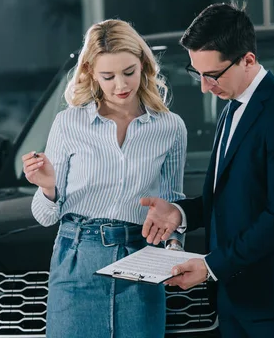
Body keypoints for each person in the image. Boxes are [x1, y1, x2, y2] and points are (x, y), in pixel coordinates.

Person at [139, 2, 274, 337]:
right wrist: (180, 213)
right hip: (234, 300)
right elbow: (233, 197)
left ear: (248, 60)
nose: (203, 87)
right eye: (197, 74)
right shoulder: (231, 108)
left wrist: (210, 266)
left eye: (211, 75)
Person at [22, 19, 187, 338]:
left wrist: (175, 246)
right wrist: (47, 186)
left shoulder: (170, 128)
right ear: (90, 73)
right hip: (76, 260)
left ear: (143, 65)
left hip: (141, 258)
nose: (120, 85)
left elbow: (172, 203)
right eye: (108, 76)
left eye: (129, 72)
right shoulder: (68, 124)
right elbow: (45, 217)